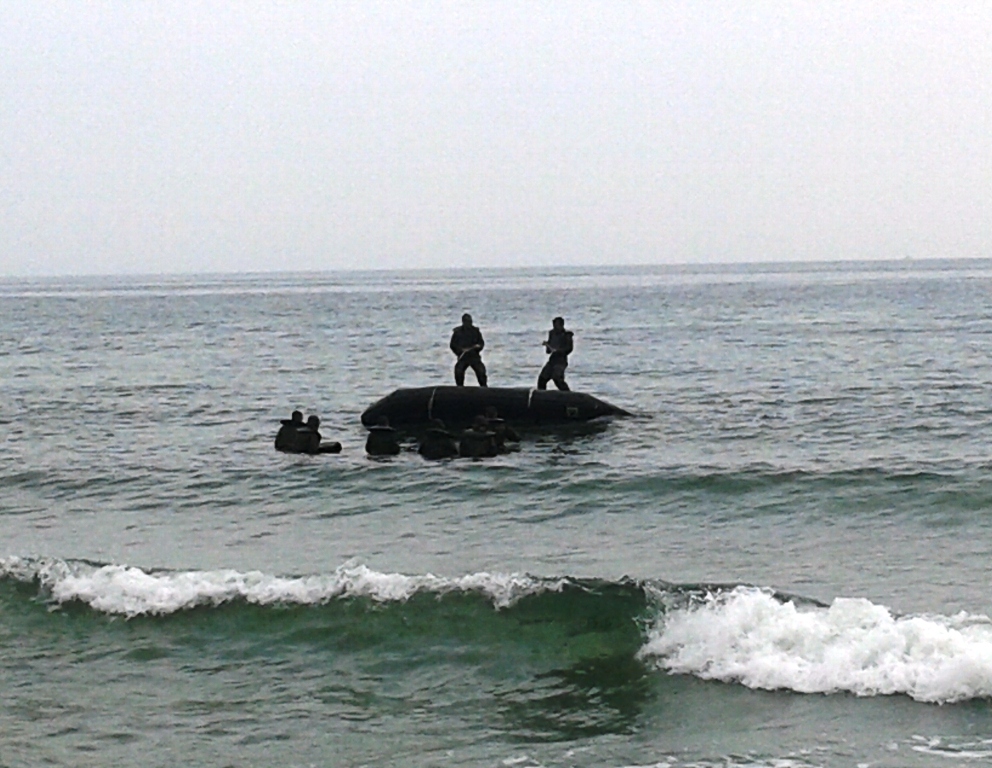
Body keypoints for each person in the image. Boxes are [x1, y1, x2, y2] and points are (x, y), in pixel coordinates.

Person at [450, 313, 488, 387]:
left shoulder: (476, 331)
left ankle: (484, 387)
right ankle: (459, 387)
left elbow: (481, 343)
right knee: (458, 371)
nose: (468, 323)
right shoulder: (457, 332)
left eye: (470, 321)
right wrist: (459, 351)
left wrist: (478, 347)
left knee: (481, 371)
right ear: (463, 322)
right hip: (463, 357)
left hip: (474, 356)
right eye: (467, 322)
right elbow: (453, 345)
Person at [537, 316, 573, 391]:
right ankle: (542, 394)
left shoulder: (567, 335)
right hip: (552, 360)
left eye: (556, 325)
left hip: (561, 361)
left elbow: (569, 349)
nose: (555, 327)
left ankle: (566, 393)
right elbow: (548, 351)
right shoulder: (552, 334)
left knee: (557, 378)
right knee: (542, 379)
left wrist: (559, 350)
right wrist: (548, 345)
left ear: (561, 325)